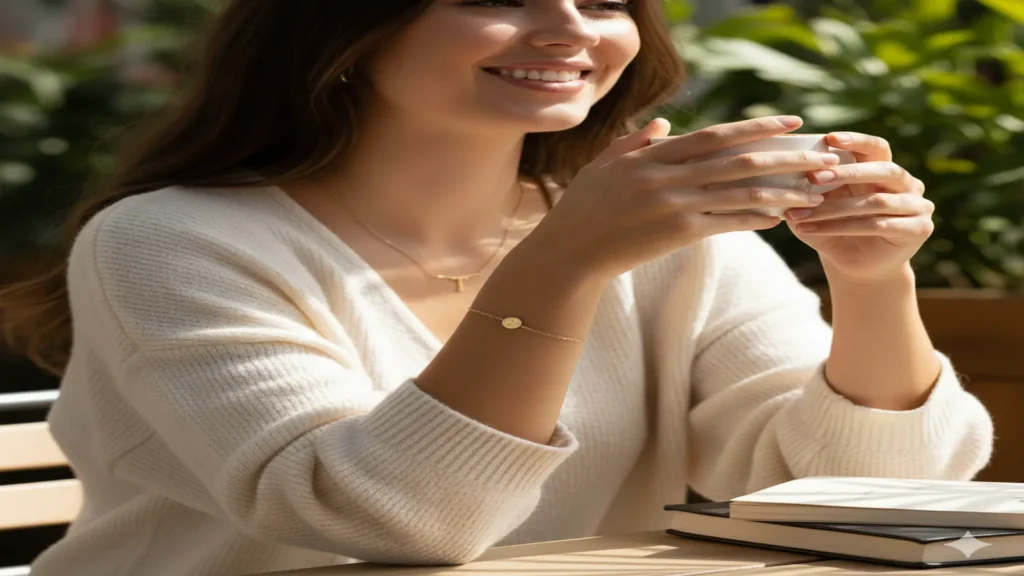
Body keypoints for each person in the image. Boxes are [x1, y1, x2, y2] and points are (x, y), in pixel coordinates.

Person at [0, 1, 994, 575]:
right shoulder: (171, 239)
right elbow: (380, 520)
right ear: (342, 27)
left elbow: (861, 493)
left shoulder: (657, 235)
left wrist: (871, 282)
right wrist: (562, 262)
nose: (567, 28)